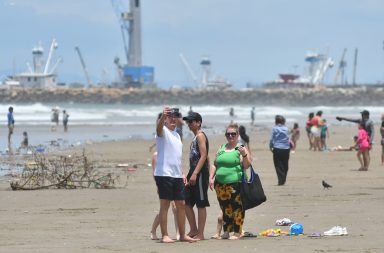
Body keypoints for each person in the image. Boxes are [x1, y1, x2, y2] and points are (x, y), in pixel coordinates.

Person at [154, 106, 195, 243]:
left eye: (175, 117)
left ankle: (182, 235)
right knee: (165, 204)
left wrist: (182, 173)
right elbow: (158, 128)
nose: (173, 119)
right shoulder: (162, 132)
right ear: (165, 120)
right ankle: (165, 235)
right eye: (169, 117)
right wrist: (162, 118)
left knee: (181, 204)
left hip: (177, 175)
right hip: (164, 174)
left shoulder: (177, 135)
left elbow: (177, 157)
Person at [209, 123, 251, 240]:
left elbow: (247, 165)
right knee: (225, 208)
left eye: (233, 134)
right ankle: (226, 232)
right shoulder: (222, 147)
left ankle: (237, 233)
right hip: (220, 184)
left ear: (237, 135)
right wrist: (211, 177)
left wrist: (244, 154)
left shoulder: (240, 147)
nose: (231, 136)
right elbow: (214, 164)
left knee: (237, 208)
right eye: (228, 134)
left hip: (236, 183)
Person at [150, 113, 179, 241]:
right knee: (166, 207)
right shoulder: (156, 154)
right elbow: (154, 171)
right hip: (163, 179)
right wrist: (157, 185)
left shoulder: (176, 136)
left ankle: (179, 233)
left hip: (174, 177)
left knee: (176, 207)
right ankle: (154, 231)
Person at [182, 112, 210, 240]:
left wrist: (195, 174)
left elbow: (204, 155)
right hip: (193, 171)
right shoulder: (195, 137)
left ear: (198, 122)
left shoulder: (200, 136)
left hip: (199, 173)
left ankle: (201, 233)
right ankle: (193, 229)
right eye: (188, 122)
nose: (189, 124)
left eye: (191, 121)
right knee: (185, 201)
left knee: (201, 203)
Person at [270, 115, 290, 186]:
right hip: (286, 148)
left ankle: (280, 180)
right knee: (285, 164)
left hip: (277, 148)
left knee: (278, 165)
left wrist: (271, 147)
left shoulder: (274, 128)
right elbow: (288, 138)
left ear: (276, 121)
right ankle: (283, 178)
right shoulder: (286, 128)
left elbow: (272, 139)